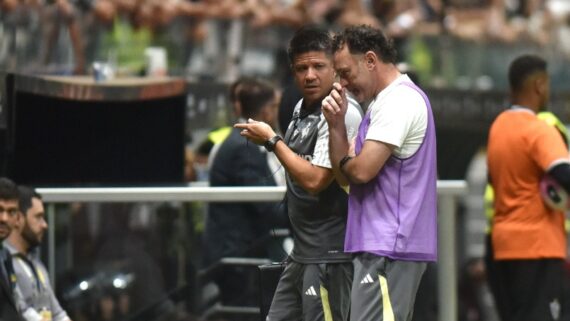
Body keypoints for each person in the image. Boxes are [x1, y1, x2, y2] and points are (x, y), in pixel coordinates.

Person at [235, 25, 363, 321]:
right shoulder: (299, 109)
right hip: (301, 253)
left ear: (335, 68)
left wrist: (271, 141)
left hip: (329, 255)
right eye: (301, 68)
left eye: (319, 66)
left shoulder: (343, 112)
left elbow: (316, 180)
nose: (310, 75)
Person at [321, 25, 437, 321]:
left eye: (346, 72)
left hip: (390, 248)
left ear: (370, 60)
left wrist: (350, 159)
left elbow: (360, 171)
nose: (342, 84)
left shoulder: (399, 101)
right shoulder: (382, 102)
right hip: (378, 248)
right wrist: (336, 128)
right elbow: (345, 175)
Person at [486, 54, 570, 321]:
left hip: (503, 245)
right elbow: (563, 173)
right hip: (538, 245)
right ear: (539, 86)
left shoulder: (498, 127)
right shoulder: (539, 129)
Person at [202, 78, 285, 308]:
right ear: (267, 110)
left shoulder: (243, 142)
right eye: (275, 106)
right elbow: (265, 203)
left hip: (239, 250)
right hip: (237, 254)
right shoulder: (244, 147)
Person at [4, 186, 72, 321]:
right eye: (38, 217)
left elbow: (57, 312)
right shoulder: (5, 262)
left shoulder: (36, 262)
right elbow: (21, 309)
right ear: (18, 218)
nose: (45, 225)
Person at [0, 177, 23, 321]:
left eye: (11, 211)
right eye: (0, 210)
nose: (4, 218)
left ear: (18, 219)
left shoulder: (5, 255)